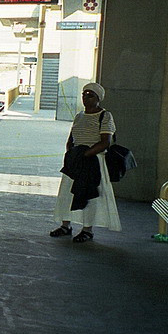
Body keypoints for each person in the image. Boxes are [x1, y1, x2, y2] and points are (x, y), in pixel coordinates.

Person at [50, 82, 121, 242]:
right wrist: (71, 154)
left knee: (89, 195)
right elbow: (71, 138)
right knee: (68, 193)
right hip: (76, 161)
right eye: (84, 94)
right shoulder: (79, 116)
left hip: (93, 162)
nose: (86, 98)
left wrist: (86, 155)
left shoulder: (105, 116)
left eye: (91, 95)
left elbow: (105, 142)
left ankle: (87, 229)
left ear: (98, 99)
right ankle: (65, 225)